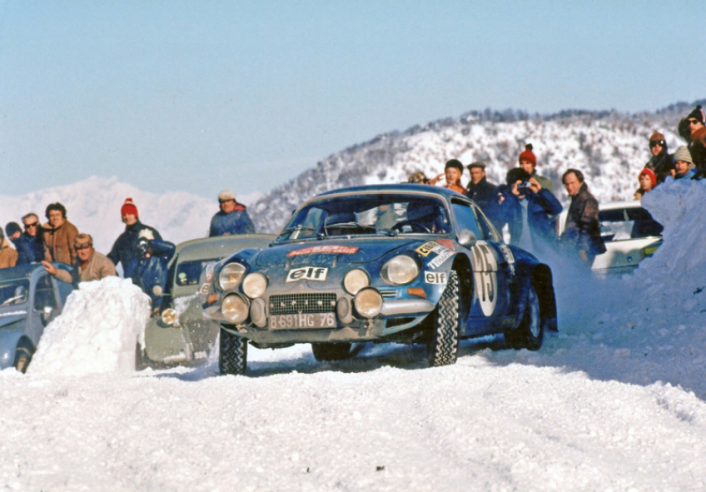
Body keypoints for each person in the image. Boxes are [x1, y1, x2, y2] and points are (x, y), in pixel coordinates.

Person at [493, 168, 562, 254]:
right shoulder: (511, 202)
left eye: (521, 185)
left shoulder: (537, 199)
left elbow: (557, 209)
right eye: (515, 185)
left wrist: (541, 190)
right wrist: (511, 195)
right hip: (520, 252)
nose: (519, 188)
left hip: (542, 250)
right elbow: (498, 219)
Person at [560, 169, 606, 266]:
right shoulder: (577, 198)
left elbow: (588, 227)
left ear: (580, 182)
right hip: (575, 248)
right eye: (567, 184)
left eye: (572, 183)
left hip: (584, 250)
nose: (569, 187)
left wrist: (582, 250)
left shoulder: (586, 199)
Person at [124, 229, 176, 313]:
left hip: (159, 303)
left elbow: (172, 248)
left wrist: (152, 242)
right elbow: (128, 275)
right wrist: (138, 257)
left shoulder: (160, 258)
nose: (145, 247)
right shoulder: (138, 260)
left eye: (146, 244)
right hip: (144, 304)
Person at [108, 198, 162, 277]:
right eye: (124, 215)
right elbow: (111, 260)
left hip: (150, 280)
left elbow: (161, 251)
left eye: (129, 214)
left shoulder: (148, 232)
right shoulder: (122, 240)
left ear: (135, 215)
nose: (127, 217)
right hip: (131, 284)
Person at [42, 233, 116, 286]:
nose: (83, 252)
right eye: (79, 249)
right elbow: (72, 277)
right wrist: (55, 271)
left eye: (85, 248)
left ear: (91, 247)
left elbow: (109, 287)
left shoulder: (104, 263)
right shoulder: (79, 262)